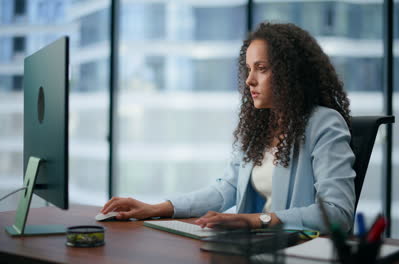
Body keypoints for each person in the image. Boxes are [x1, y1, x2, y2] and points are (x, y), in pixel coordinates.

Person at [101, 22, 356, 233]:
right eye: (248, 69)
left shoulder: (324, 123)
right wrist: (155, 208)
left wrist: (255, 220)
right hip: (254, 247)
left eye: (261, 69)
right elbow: (225, 190)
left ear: (290, 73)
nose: (249, 80)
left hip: (295, 251)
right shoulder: (262, 128)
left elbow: (337, 213)